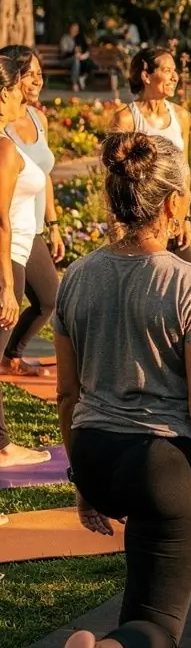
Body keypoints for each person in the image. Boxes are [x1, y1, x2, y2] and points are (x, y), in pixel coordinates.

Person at [22, 132, 191, 648]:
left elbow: (67, 395)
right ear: (170, 205)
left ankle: (104, 642)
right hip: (160, 470)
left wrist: (83, 483)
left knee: (148, 551)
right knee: (160, 629)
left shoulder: (79, 278)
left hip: (94, 452)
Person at [0, 54, 52, 471]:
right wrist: (6, 285)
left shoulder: (15, 137)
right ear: (5, 91)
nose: (28, 92)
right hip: (10, 255)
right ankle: (1, 446)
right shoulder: (3, 146)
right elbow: (0, 220)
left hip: (19, 248)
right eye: (22, 84)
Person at [0, 46, 64, 378]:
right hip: (9, 229)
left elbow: (44, 172)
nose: (38, 79)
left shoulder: (40, 119)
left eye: (41, 73)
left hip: (32, 226)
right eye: (30, 74)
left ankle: (12, 357)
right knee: (7, 307)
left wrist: (52, 222)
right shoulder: (5, 129)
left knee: (48, 300)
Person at [111, 47, 191, 262]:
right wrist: (116, 225)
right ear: (146, 75)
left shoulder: (181, 116)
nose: (174, 76)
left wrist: (185, 217)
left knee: (185, 278)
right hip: (140, 220)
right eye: (167, 70)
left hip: (172, 214)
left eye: (174, 70)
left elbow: (184, 171)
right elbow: (115, 175)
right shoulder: (127, 119)